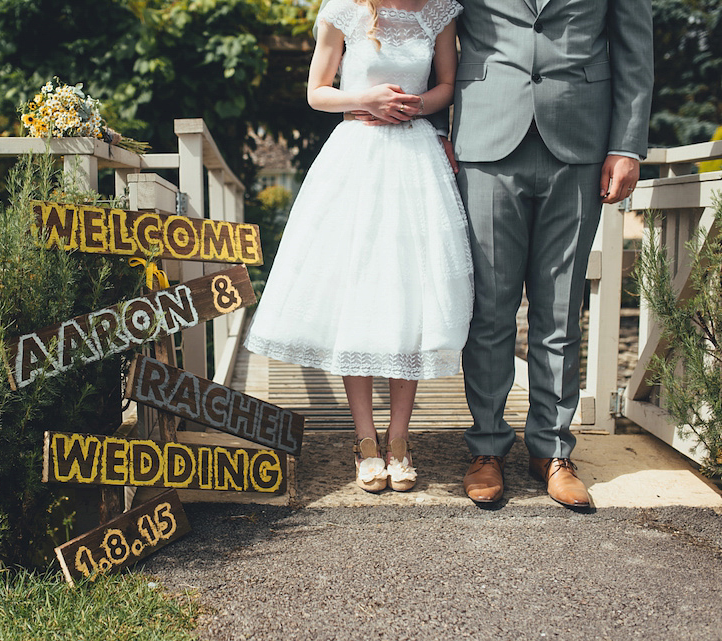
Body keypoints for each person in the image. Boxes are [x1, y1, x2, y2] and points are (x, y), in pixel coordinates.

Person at [244, 0, 473, 492]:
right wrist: (367, 99)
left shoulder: (439, 11)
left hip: (415, 157)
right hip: (357, 157)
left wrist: (410, 106)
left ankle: (399, 439)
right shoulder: (342, 10)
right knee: (359, 294)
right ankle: (366, 440)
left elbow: (448, 87)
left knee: (409, 295)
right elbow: (317, 93)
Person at [452, 0, 654, 507]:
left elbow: (634, 47)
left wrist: (628, 145)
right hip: (485, 137)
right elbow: (432, 27)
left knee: (562, 308)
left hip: (580, 140)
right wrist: (431, 128)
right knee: (489, 309)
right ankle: (487, 447)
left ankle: (553, 449)